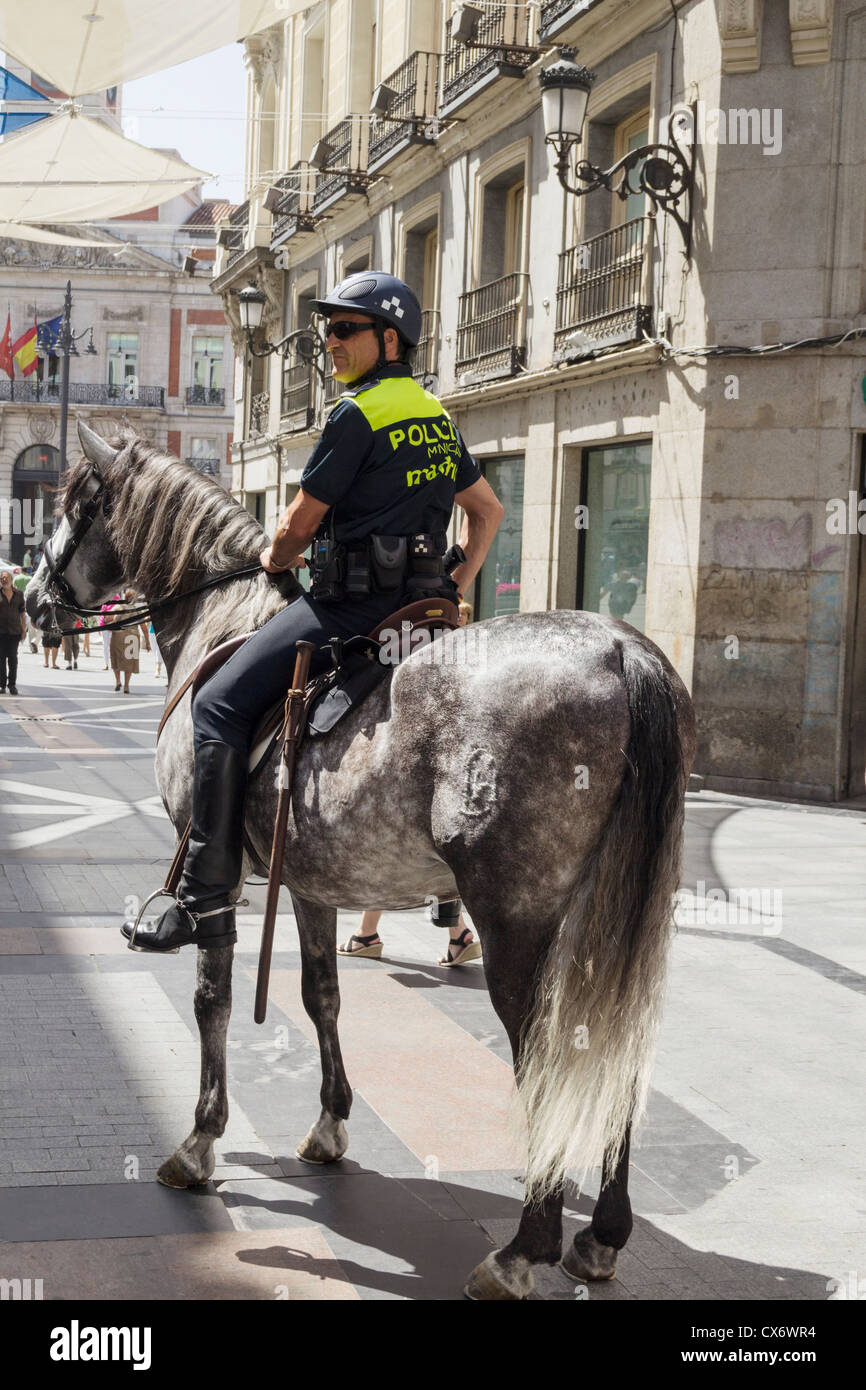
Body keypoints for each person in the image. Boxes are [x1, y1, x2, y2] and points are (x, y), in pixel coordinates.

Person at [122, 269, 504, 954]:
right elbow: (487, 511)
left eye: (343, 330)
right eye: (326, 330)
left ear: (390, 339)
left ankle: (202, 896)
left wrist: (276, 556)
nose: (328, 342)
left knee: (217, 705)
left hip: (351, 608)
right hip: (426, 610)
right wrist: (457, 578)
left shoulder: (357, 414)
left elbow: (299, 523)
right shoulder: (435, 416)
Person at [109, 588, 151, 693]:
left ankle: (118, 681)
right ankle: (127, 686)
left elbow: (108, 617)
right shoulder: (137, 610)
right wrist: (147, 642)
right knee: (129, 662)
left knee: (116, 659)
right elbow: (144, 628)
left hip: (118, 635)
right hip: (132, 637)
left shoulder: (119, 606)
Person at [0, 569, 26, 695]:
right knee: (0, 659)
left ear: (11, 579)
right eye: (2, 578)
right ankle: (2, 685)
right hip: (1, 632)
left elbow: (22, 612)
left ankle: (12, 685)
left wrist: (23, 629)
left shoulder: (19, 594)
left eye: (6, 577)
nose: (4, 580)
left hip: (14, 631)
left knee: (13, 659)